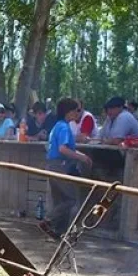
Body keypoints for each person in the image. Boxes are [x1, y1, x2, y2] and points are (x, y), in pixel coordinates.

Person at [40, 97, 92, 239]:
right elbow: (63, 149)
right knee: (70, 199)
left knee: (61, 200)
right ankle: (48, 220)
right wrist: (81, 158)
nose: (78, 113)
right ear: (69, 112)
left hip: (53, 165)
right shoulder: (63, 127)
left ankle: (58, 232)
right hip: (59, 166)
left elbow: (68, 148)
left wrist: (83, 156)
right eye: (77, 110)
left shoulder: (59, 125)